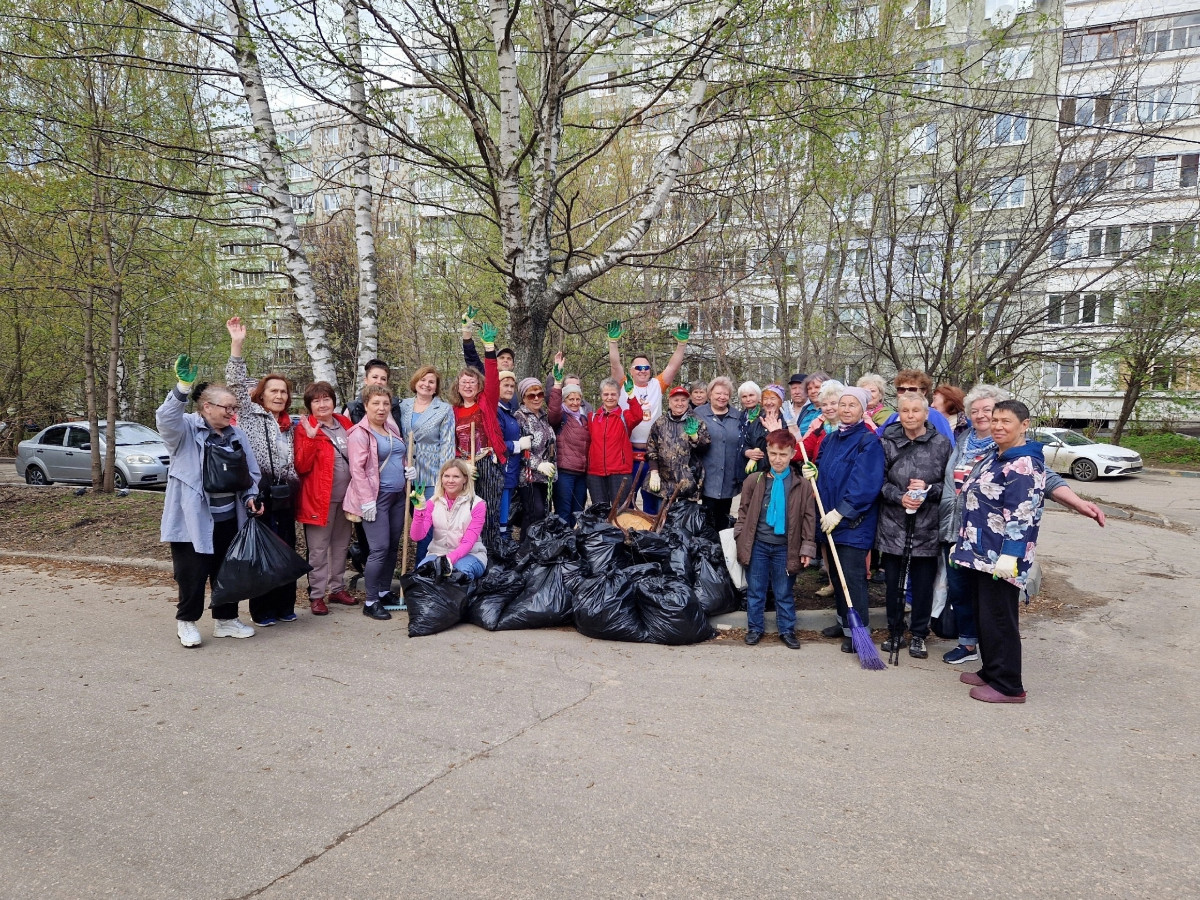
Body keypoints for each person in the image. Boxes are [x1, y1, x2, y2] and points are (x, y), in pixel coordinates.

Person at [938, 385, 1105, 665]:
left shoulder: (1008, 448)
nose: (983, 416)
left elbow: (1042, 481)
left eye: (990, 412)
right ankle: (971, 647)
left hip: (993, 540)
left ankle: (1000, 672)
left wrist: (1077, 503)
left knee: (993, 606)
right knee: (962, 591)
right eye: (976, 411)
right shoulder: (963, 440)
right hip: (956, 527)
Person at [157, 357, 262, 648]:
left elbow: (249, 472)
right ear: (207, 407)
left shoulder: (236, 434)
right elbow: (166, 419)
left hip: (229, 517)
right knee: (191, 574)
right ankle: (187, 622)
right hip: (193, 519)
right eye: (227, 408)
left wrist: (251, 496)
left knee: (227, 571)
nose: (232, 413)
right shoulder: (186, 430)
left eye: (234, 408)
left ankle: (226, 620)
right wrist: (182, 387)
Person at [950, 399, 1045, 703]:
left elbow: (1023, 512)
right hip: (979, 552)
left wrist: (1011, 555)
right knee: (984, 615)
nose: (998, 426)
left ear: (1024, 425)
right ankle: (991, 669)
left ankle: (1008, 685)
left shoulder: (1023, 464)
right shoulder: (996, 455)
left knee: (1000, 619)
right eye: (995, 421)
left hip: (1001, 558)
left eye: (1006, 421)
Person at [225, 318, 299, 627]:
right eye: (273, 391)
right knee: (263, 550)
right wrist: (237, 345)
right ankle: (263, 608)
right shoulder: (250, 415)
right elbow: (234, 384)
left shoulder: (290, 424)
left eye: (283, 392)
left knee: (286, 548)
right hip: (261, 490)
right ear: (261, 394)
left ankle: (285, 605)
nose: (279, 396)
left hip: (286, 492)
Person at [876, 392, 953, 659]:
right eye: (905, 411)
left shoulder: (941, 444)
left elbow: (950, 486)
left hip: (927, 524)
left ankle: (919, 633)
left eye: (915, 411)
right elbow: (879, 482)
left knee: (922, 584)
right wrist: (900, 496)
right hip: (894, 522)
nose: (910, 416)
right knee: (894, 583)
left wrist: (929, 489)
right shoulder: (887, 441)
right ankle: (894, 630)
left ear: (926, 414)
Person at [814, 385, 885, 653]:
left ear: (863, 409)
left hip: (853, 522)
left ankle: (859, 630)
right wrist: (813, 469)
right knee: (836, 573)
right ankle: (844, 623)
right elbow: (822, 466)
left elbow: (865, 484)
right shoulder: (832, 439)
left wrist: (841, 511)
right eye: (842, 405)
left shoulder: (868, 441)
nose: (845, 410)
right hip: (829, 519)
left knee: (852, 577)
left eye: (851, 405)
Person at [734, 430, 818, 649]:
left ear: (791, 455)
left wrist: (807, 548)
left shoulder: (801, 484)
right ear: (767, 454)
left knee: (783, 592)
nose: (777, 459)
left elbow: (809, 518)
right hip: (758, 545)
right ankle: (754, 628)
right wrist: (740, 535)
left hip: (785, 548)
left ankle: (787, 630)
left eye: (783, 455)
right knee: (756, 590)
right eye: (773, 454)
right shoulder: (755, 480)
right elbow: (743, 512)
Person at [607, 319, 690, 515]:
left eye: (646, 368)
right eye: (638, 368)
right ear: (631, 371)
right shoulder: (624, 384)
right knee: (625, 503)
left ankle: (651, 541)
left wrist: (681, 345)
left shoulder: (656, 385)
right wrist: (612, 342)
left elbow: (673, 366)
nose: (643, 371)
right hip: (628, 453)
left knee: (652, 503)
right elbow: (614, 365)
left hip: (653, 455)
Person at [345, 384, 411, 621]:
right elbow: (358, 470)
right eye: (376, 403)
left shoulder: (390, 428)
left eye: (385, 403)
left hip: (397, 496)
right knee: (379, 549)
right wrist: (366, 502)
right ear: (365, 406)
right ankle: (371, 600)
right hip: (376, 499)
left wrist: (406, 470)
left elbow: (398, 455)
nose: (381, 408)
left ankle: (383, 591)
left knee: (393, 546)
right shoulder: (359, 433)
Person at [293, 381, 357, 616]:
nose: (322, 404)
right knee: (318, 550)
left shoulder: (344, 423)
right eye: (316, 400)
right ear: (310, 405)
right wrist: (310, 439)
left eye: (326, 399)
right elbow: (301, 465)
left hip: (346, 498)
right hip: (319, 500)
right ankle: (317, 595)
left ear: (333, 401)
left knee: (340, 546)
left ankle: (337, 588)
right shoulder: (305, 427)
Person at [449, 317, 506, 552]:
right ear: (458, 386)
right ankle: (467, 552)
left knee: (489, 512)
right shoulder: (452, 411)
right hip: (464, 468)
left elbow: (492, 380)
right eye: (464, 382)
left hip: (487, 464)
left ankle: (491, 556)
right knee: (466, 514)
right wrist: (460, 463)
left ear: (478, 385)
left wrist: (489, 350)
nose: (468, 386)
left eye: (472, 382)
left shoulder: (487, 403)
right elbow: (449, 441)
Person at [399, 365, 456, 563]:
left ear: (436, 387)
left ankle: (422, 568)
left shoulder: (444, 410)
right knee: (410, 523)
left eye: (431, 382)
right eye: (423, 380)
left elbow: (448, 445)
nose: (426, 384)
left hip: (430, 477)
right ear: (415, 382)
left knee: (427, 524)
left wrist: (444, 479)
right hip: (404, 475)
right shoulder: (403, 406)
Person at [410, 459, 488, 580]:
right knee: (422, 575)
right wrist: (419, 510)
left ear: (465, 479)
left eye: (456, 476)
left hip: (471, 555)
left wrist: (447, 561)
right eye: (446, 476)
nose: (450, 481)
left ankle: (463, 599)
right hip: (437, 553)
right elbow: (417, 536)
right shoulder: (433, 502)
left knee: (459, 575)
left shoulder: (477, 504)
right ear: (441, 478)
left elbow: (468, 542)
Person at [693, 376, 743, 529]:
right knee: (707, 518)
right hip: (707, 475)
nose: (722, 397)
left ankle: (722, 549)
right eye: (718, 393)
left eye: (726, 394)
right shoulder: (698, 413)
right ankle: (707, 548)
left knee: (724, 517)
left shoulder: (737, 416)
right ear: (710, 394)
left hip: (729, 476)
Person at [646, 385, 711, 501]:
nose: (680, 403)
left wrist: (695, 437)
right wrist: (654, 472)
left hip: (688, 483)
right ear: (669, 402)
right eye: (676, 400)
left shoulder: (696, 421)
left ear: (688, 401)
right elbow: (651, 449)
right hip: (663, 483)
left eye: (683, 400)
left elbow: (705, 448)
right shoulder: (660, 423)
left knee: (684, 518)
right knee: (661, 517)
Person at [586, 377, 643, 506]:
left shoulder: (625, 416)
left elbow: (638, 415)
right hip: (596, 472)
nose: (610, 397)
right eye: (606, 394)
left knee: (620, 512)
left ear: (619, 395)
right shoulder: (593, 417)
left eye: (613, 394)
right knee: (600, 512)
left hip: (620, 471)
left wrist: (631, 396)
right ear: (601, 396)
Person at [548, 358, 590, 525]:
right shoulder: (560, 417)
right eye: (570, 399)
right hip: (565, 472)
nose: (574, 403)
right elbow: (553, 409)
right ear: (564, 400)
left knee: (578, 513)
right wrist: (557, 383)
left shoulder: (584, 418)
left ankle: (572, 546)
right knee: (563, 513)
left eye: (577, 399)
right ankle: (562, 547)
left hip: (581, 473)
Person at [514, 376, 557, 526]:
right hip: (529, 477)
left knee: (543, 514)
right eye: (532, 395)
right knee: (534, 513)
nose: (537, 398)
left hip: (546, 477)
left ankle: (539, 548)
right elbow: (519, 450)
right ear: (524, 398)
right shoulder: (520, 418)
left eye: (540, 394)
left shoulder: (544, 417)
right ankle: (526, 548)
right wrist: (538, 464)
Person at [879, 370, 954, 440]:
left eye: (912, 390)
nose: (906, 393)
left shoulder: (934, 415)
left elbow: (948, 446)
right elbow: (878, 439)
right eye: (901, 389)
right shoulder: (894, 417)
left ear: (923, 392)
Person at [495, 369, 523, 541]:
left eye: (512, 386)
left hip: (511, 472)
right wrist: (518, 445)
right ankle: (499, 549)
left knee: (507, 516)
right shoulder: (497, 412)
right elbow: (495, 444)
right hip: (501, 472)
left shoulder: (509, 411)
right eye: (506, 385)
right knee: (501, 515)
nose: (510, 389)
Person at [344, 358, 404, 432]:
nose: (379, 381)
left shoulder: (395, 406)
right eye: (375, 377)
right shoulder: (353, 409)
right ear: (366, 380)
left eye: (383, 379)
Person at [740, 383, 785, 480]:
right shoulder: (757, 421)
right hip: (757, 473)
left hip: (778, 473)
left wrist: (775, 433)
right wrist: (747, 451)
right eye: (766, 399)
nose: (769, 402)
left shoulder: (786, 421)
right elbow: (747, 443)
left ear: (780, 401)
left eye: (773, 398)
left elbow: (787, 447)